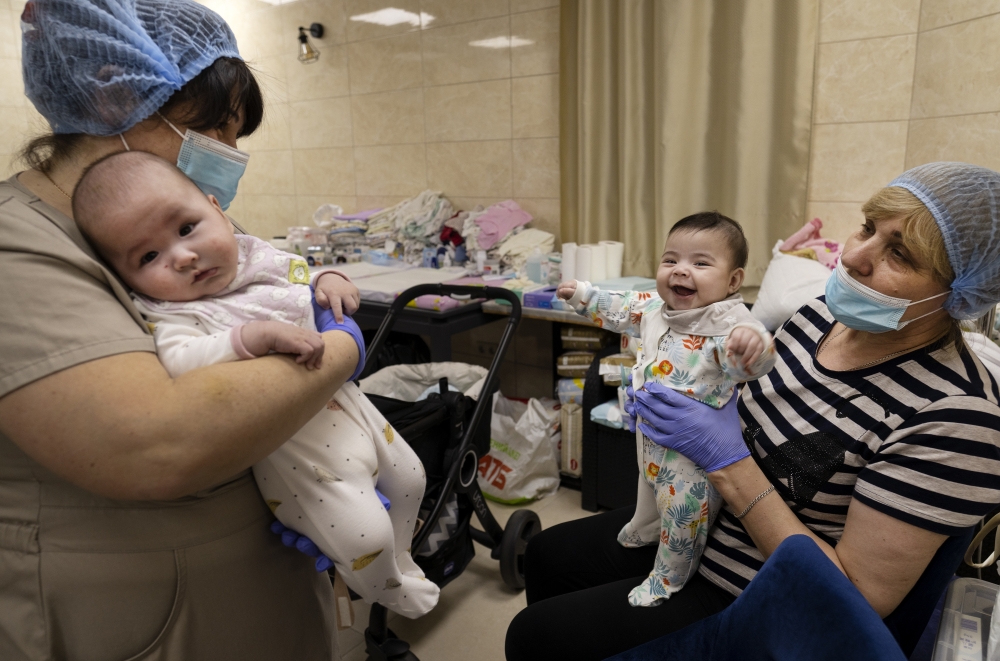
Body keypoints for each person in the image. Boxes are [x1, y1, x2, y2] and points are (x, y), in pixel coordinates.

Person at [506, 162, 1000, 661]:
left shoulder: (958, 417)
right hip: (701, 520)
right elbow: (730, 378)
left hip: (757, 591)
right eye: (868, 230)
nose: (853, 256)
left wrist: (725, 460)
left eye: (899, 253)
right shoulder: (818, 318)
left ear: (958, 293)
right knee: (549, 556)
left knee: (535, 636)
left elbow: (855, 594)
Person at [0, 1, 359, 658]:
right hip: (133, 618)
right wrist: (340, 350)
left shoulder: (186, 220)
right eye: (214, 130)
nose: (228, 155)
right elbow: (156, 441)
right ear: (111, 94)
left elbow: (289, 290)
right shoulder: (17, 248)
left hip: (264, 580)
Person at [72, 150, 441, 617]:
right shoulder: (175, 313)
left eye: (187, 228)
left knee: (412, 478)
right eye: (148, 256)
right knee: (364, 533)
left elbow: (299, 279)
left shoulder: (255, 257)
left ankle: (402, 559)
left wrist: (328, 278)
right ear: (125, 278)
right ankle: (388, 588)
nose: (183, 256)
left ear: (217, 208)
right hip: (298, 449)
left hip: (346, 404)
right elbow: (181, 360)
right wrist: (249, 338)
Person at [555, 212, 776, 607]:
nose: (681, 271)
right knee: (648, 489)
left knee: (682, 512)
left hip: (696, 450)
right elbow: (621, 306)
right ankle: (643, 529)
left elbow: (749, 361)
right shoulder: (657, 309)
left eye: (701, 263)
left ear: (733, 280)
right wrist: (584, 295)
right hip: (652, 434)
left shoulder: (731, 326)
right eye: (671, 260)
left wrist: (751, 346)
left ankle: (668, 576)